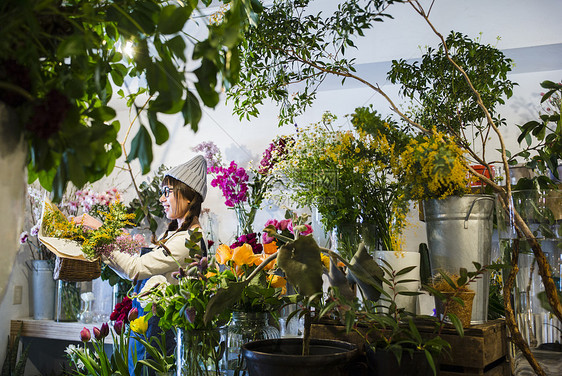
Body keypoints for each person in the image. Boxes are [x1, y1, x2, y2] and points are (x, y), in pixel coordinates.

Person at [73, 154, 208, 375]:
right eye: (161, 193)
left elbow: (135, 269)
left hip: (160, 334)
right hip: (148, 329)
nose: (162, 199)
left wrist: (100, 233)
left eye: (167, 192)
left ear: (187, 195)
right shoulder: (175, 234)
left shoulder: (188, 240)